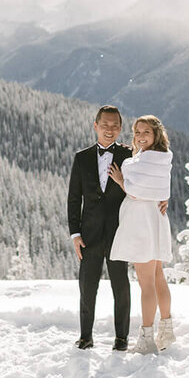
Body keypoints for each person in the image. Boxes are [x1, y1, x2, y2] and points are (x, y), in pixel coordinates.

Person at [107, 114, 175, 354]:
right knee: (157, 277)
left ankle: (146, 338)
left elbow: (136, 192)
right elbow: (158, 188)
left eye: (146, 132)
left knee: (147, 282)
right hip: (155, 219)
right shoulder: (162, 159)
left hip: (141, 222)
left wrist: (120, 181)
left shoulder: (141, 161)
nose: (141, 136)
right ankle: (166, 329)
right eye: (137, 132)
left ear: (156, 134)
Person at [67, 105, 131, 350]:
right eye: (105, 125)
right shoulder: (81, 158)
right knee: (87, 287)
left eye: (115, 125)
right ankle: (86, 336)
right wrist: (75, 233)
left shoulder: (129, 155)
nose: (110, 129)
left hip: (119, 233)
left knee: (121, 287)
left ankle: (122, 338)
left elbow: (139, 188)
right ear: (95, 126)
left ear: (120, 128)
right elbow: (74, 199)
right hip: (89, 235)